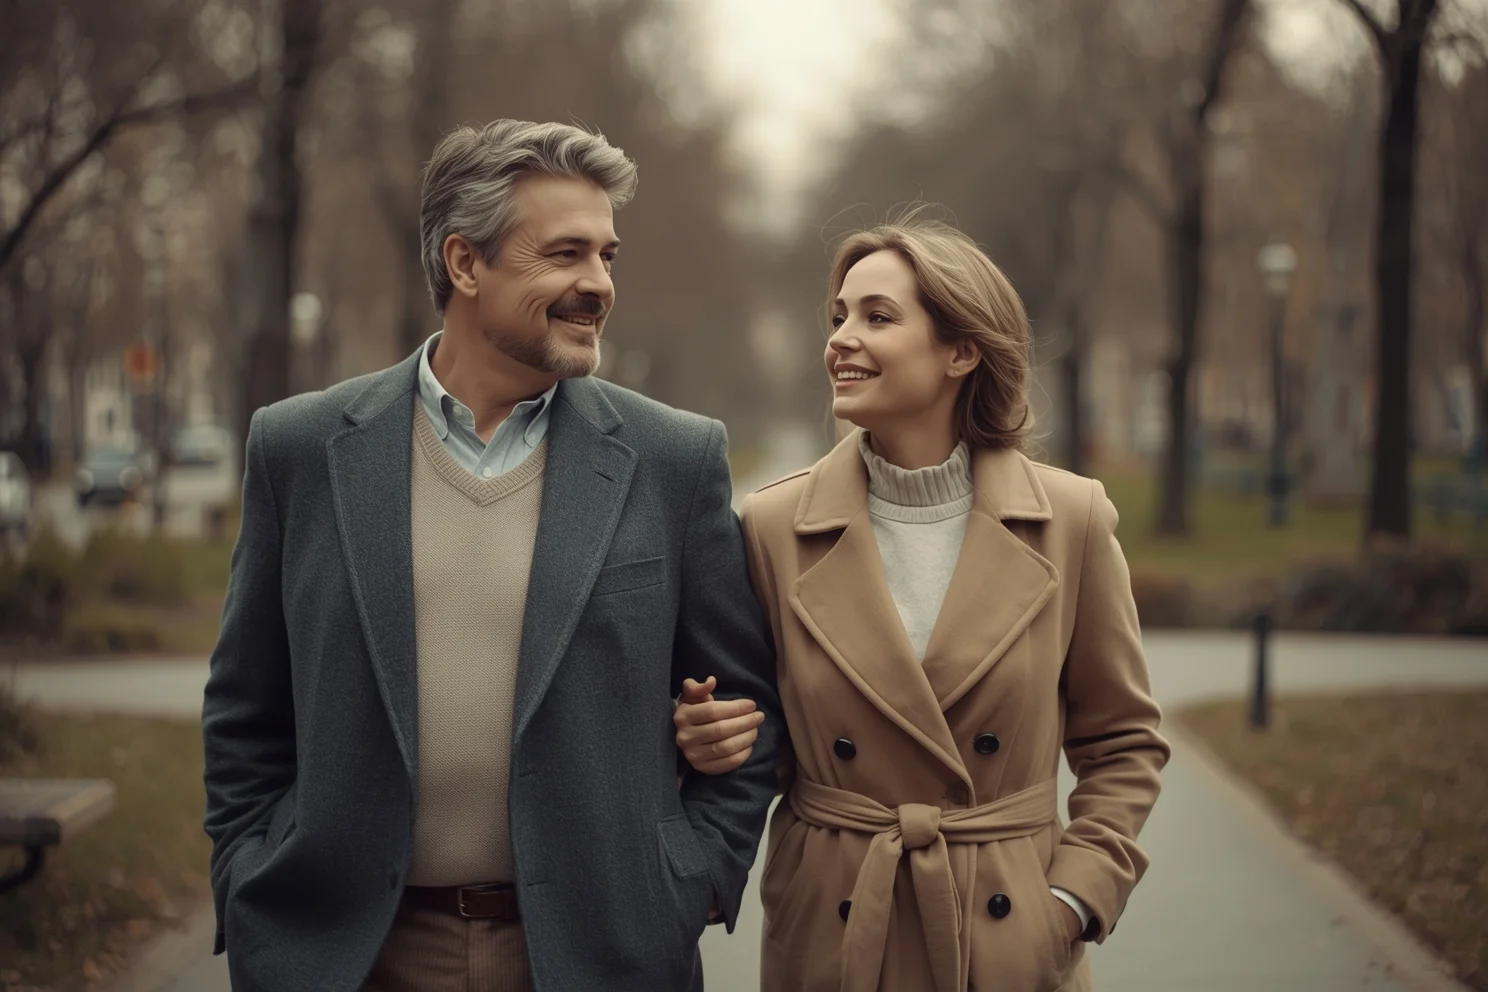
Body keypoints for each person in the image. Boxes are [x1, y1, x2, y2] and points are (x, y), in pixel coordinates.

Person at [202, 119, 782, 992]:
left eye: (606, 256)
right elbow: (245, 710)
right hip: (351, 956)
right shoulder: (301, 449)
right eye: (565, 254)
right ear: (465, 263)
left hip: (601, 958)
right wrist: (247, 880)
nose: (599, 284)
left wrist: (693, 880)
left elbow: (750, 704)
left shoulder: (673, 460)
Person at [673, 216, 1170, 991]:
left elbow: (1123, 743)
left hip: (1007, 938)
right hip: (836, 930)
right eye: (839, 315)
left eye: (877, 317)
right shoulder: (772, 527)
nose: (840, 339)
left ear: (960, 351)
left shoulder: (1070, 521)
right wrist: (705, 738)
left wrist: (1072, 902)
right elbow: (763, 744)